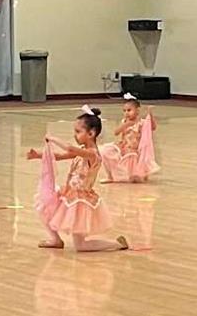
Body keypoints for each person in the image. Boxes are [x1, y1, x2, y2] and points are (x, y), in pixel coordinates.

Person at [26, 106, 128, 252]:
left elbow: (70, 149)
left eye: (78, 132)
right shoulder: (83, 152)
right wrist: (38, 155)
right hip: (69, 194)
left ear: (91, 133)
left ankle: (117, 244)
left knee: (81, 246)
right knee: (43, 205)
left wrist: (53, 138)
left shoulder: (92, 154)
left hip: (81, 201)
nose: (75, 135)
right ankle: (56, 239)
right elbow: (61, 156)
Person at [100, 93, 159, 183]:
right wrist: (125, 125)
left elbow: (153, 127)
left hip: (135, 150)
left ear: (137, 111)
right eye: (124, 111)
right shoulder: (124, 121)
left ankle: (142, 174)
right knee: (105, 151)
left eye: (129, 110)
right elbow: (116, 132)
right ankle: (110, 176)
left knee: (135, 179)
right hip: (124, 147)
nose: (126, 113)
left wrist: (150, 115)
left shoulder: (141, 123)